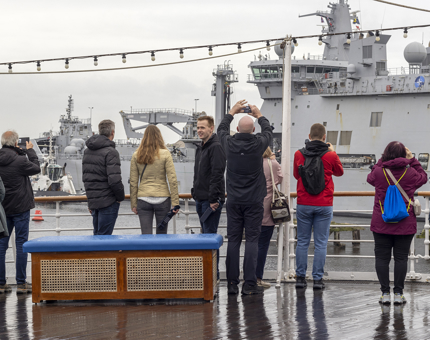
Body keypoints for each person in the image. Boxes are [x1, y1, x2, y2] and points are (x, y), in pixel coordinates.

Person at [217, 99, 273, 295]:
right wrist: (259, 114)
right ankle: (249, 284)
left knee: (233, 240)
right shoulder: (259, 144)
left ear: (238, 128)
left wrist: (232, 111)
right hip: (254, 201)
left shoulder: (229, 143)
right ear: (252, 129)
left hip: (234, 200)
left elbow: (221, 129)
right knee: (252, 240)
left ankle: (232, 283)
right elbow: (268, 131)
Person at [367, 142, 426, 305]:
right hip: (404, 223)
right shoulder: (411, 172)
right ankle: (399, 294)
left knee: (382, 258)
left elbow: (370, 178)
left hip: (381, 222)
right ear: (403, 155)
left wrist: (382, 160)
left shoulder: (379, 172)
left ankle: (385, 294)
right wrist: (413, 159)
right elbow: (424, 177)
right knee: (401, 259)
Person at [293, 123, 343, 290]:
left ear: (309, 135)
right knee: (321, 243)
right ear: (324, 137)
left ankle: (300, 278)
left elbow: (295, 175)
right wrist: (333, 151)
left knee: (302, 242)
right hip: (324, 203)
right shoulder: (330, 155)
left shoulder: (299, 154)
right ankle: (317, 280)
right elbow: (339, 172)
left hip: (304, 203)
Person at [0, 131, 40, 294]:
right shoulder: (20, 160)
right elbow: (36, 168)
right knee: (21, 243)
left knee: (1, 245)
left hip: (2, 209)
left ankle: (1, 284)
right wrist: (30, 151)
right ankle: (21, 283)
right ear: (16, 143)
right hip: (21, 207)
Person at [192, 115, 226, 280]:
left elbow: (217, 174)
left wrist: (213, 199)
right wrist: (194, 190)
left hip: (209, 201)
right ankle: (208, 275)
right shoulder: (201, 147)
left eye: (203, 127)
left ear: (211, 128)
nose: (199, 130)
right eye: (198, 127)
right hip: (200, 198)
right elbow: (199, 173)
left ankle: (214, 275)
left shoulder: (216, 147)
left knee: (210, 238)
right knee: (205, 237)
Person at [130, 125, 179, 234]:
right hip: (162, 199)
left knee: (146, 236)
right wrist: (175, 202)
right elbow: (172, 179)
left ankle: (146, 251)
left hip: (143, 199)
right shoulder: (166, 154)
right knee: (161, 236)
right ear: (159, 137)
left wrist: (133, 204)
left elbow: (133, 182)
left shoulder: (136, 155)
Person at [82, 120, 125, 235]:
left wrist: (90, 202)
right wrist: (120, 197)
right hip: (108, 202)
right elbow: (114, 180)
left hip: (94, 202)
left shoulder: (87, 151)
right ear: (112, 132)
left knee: (97, 237)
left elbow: (86, 178)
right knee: (104, 239)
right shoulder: (111, 152)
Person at [256, 147, 283, 289]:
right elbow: (279, 178)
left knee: (251, 244)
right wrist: (274, 160)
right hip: (268, 209)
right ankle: (258, 277)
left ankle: (248, 276)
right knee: (263, 245)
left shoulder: (252, 162)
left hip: (252, 209)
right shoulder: (272, 164)